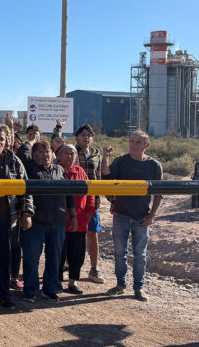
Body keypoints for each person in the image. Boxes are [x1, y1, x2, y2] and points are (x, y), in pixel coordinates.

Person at [102, 131, 163, 301]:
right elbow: (106, 177)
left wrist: (152, 215)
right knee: (120, 252)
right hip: (120, 214)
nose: (133, 145)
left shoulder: (154, 166)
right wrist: (105, 157)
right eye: (131, 141)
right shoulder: (121, 161)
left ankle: (139, 288)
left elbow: (159, 193)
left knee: (140, 255)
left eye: (138, 142)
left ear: (146, 145)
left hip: (141, 217)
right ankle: (120, 285)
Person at [20, 140, 77, 302]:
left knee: (54, 258)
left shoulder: (59, 170)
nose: (44, 155)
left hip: (58, 223)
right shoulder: (29, 169)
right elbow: (24, 194)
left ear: (52, 154)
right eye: (40, 151)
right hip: (35, 223)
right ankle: (30, 291)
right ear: (33, 155)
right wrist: (26, 215)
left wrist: (73, 216)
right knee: (32, 258)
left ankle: (49, 289)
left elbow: (69, 195)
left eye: (47, 151)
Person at [0, 127, 31, 309]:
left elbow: (26, 188)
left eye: (2, 138)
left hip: (6, 219)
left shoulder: (14, 161)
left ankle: (4, 295)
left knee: (4, 259)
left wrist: (27, 212)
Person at [56, 144, 95, 295]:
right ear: (59, 156)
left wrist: (88, 214)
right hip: (59, 222)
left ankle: (73, 282)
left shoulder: (80, 172)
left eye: (72, 153)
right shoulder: (54, 171)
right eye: (66, 153)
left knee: (77, 254)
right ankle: (57, 281)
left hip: (79, 222)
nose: (70, 156)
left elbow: (90, 193)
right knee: (58, 253)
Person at [75, 124, 105, 284]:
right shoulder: (71, 153)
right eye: (83, 135)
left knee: (92, 234)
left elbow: (99, 178)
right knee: (72, 234)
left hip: (93, 202)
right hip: (75, 201)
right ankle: (68, 266)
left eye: (89, 135)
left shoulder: (97, 155)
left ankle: (94, 269)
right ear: (77, 137)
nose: (86, 138)